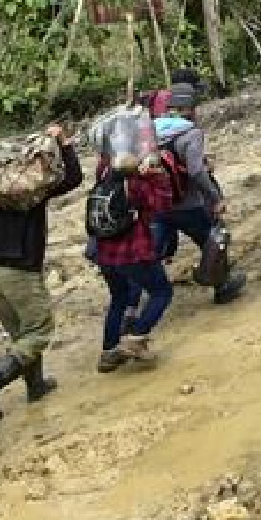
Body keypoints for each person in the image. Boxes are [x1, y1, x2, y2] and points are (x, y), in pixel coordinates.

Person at [0, 125, 85, 421]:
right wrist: (66, 144)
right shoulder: (32, 190)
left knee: (21, 332)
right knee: (38, 332)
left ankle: (36, 386)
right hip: (20, 271)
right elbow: (74, 178)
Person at [151, 85, 245, 304]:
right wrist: (215, 198)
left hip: (159, 202)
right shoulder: (190, 133)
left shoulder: (152, 129)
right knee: (210, 241)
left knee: (153, 250)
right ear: (191, 109)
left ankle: (135, 303)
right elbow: (196, 172)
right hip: (188, 203)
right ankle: (223, 286)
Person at [90, 149, 176, 372]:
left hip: (105, 252)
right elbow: (162, 206)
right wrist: (157, 176)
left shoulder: (105, 174)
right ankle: (136, 338)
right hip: (132, 251)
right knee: (162, 291)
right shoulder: (136, 183)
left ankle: (109, 351)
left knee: (119, 297)